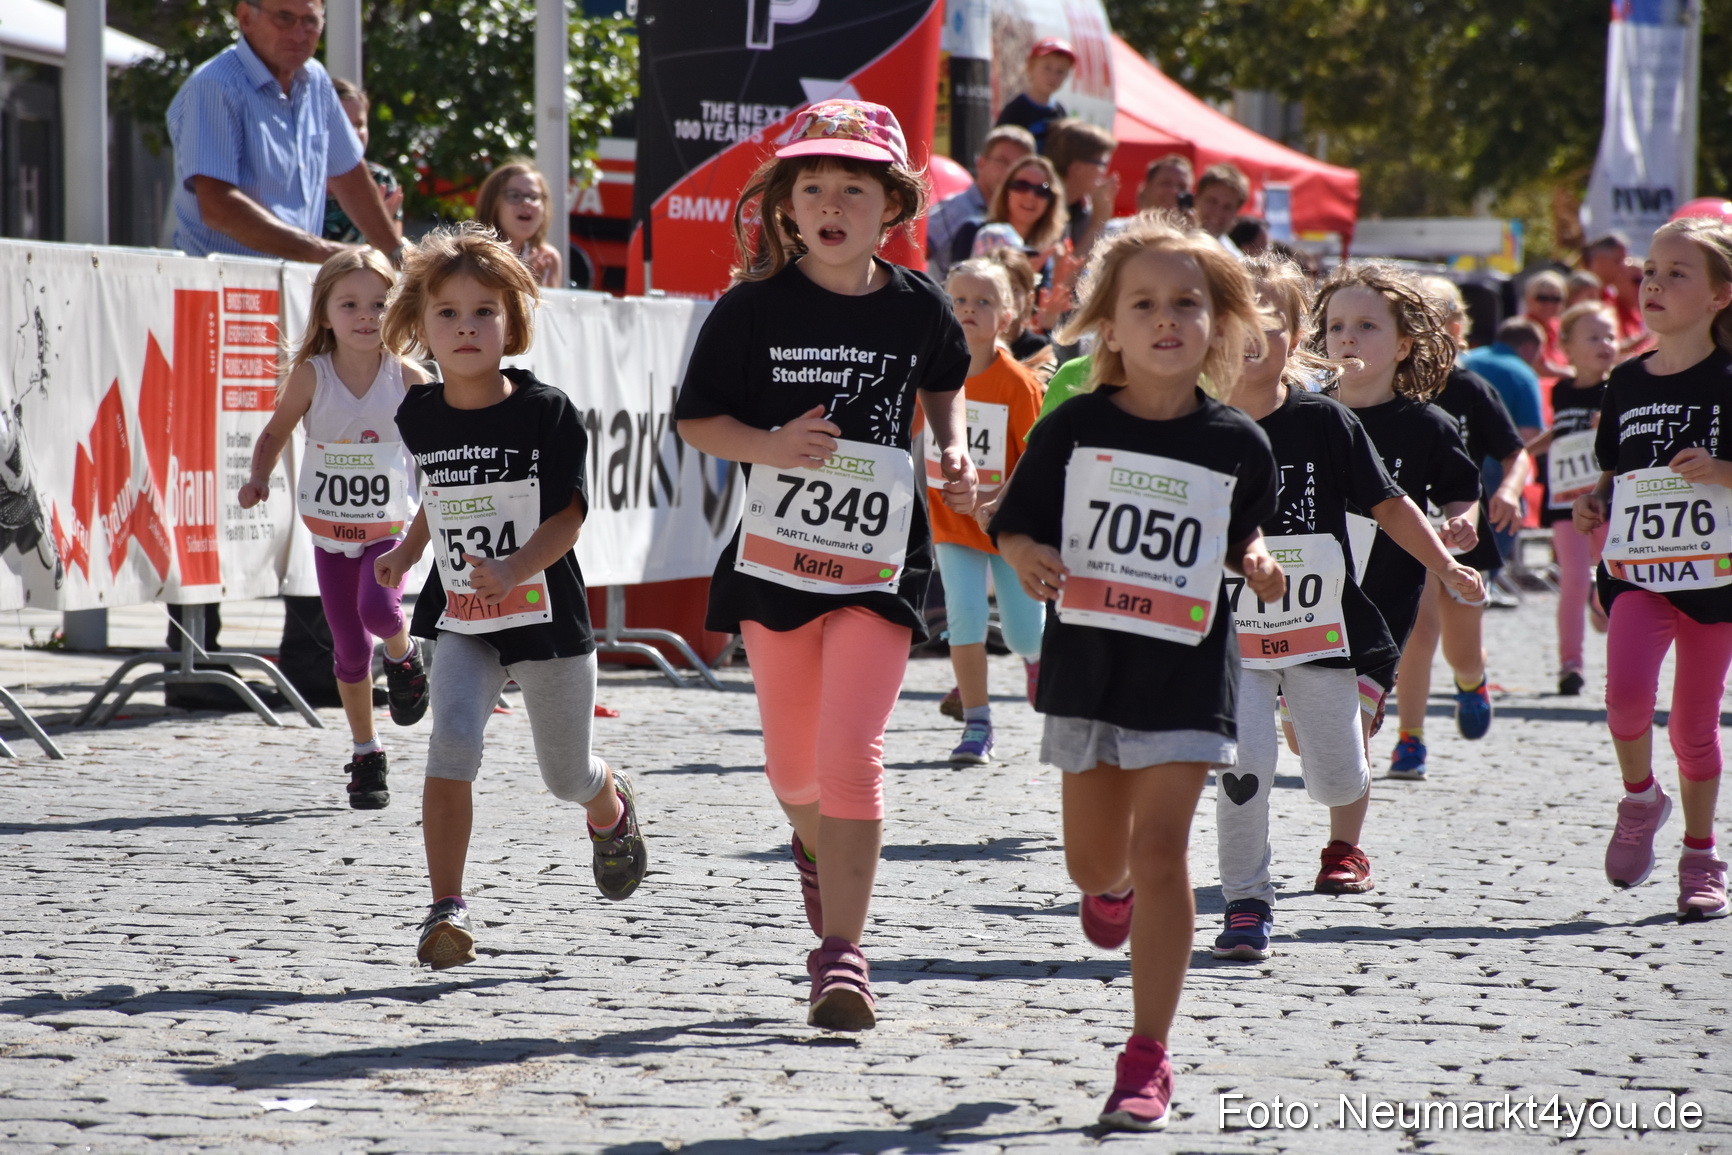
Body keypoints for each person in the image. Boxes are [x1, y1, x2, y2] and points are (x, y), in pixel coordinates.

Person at [674, 100, 977, 1030]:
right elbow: (697, 421)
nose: (832, 204)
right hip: (775, 563)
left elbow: (945, 381)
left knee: (852, 754)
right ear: (786, 206)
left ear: (894, 207)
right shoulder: (751, 307)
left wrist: (952, 447)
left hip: (878, 565)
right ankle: (814, 847)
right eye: (812, 187)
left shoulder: (920, 303)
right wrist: (770, 445)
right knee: (791, 768)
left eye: (854, 187)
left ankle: (842, 955)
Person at [990, 218, 1284, 1131]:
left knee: (1162, 854)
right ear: (1108, 328)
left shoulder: (1240, 441)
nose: (1166, 320)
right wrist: (1029, 556)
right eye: (1144, 304)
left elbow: (1244, 532)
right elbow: (1014, 524)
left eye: (1186, 303)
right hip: (1088, 666)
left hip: (1187, 671)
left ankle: (1147, 1054)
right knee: (1095, 861)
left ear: (1218, 324)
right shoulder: (1072, 426)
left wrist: (1258, 560)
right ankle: (1107, 888)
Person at [373, 224, 648, 969]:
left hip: (546, 615)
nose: (466, 327)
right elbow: (442, 494)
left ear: (512, 321)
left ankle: (609, 803)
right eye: (448, 313)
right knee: (451, 742)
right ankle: (446, 908)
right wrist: (408, 549)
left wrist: (518, 567)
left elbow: (570, 515)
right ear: (421, 324)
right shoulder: (419, 414)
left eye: (484, 312)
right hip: (464, 614)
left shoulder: (546, 410)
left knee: (566, 774)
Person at [1213, 255, 1481, 960]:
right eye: (1238, 319)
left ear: (1298, 334)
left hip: (1323, 634)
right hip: (1232, 637)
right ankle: (1247, 900)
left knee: (1335, 773)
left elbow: (1390, 505)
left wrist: (1445, 564)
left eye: (1271, 322)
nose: (1252, 336)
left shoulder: (1326, 422)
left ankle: (1343, 793)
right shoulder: (1196, 418)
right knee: (1244, 766)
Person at [1572, 217, 1732, 922]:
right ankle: (1641, 799)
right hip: (1639, 572)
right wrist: (1593, 503)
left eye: (1676, 273)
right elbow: (1614, 473)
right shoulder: (1626, 379)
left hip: (1716, 581)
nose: (1654, 285)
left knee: (1694, 727)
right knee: (1626, 700)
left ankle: (1701, 855)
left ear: (1720, 295)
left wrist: (1722, 471)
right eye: (1649, 273)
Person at [236, 248, 429, 807]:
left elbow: (439, 444)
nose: (366, 315)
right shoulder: (312, 375)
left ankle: (403, 653)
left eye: (380, 304)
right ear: (324, 312)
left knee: (380, 612)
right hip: (331, 535)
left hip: (389, 529)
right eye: (350, 305)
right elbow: (274, 433)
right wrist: (258, 478)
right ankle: (367, 752)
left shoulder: (408, 378)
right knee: (347, 648)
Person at [1318, 264, 1481, 872]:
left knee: (1348, 731)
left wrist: (1460, 522)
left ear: (1405, 345)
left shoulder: (1426, 425)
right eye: (1336, 326)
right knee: (1308, 740)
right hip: (1305, 600)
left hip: (1383, 600)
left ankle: (1344, 850)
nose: (1348, 337)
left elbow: (1462, 488)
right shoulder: (1303, 414)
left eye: (1366, 326)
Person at [1384, 279, 1527, 781]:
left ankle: (1472, 680)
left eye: (1435, 322)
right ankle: (1410, 740)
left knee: (1460, 651)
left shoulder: (1470, 389)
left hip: (1464, 530)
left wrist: (1509, 491)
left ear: (1456, 328)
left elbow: (1516, 453)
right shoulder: (1391, 389)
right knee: (1418, 634)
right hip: (1411, 530)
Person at [167, 0, 399, 262]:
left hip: (298, 276)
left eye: (310, 21)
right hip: (224, 281)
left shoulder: (316, 80)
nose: (299, 34)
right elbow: (217, 207)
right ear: (245, 18)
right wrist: (323, 252)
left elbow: (351, 176)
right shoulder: (215, 86)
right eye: (284, 18)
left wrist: (397, 254)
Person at [926, 260, 1047, 762]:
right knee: (965, 617)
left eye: (983, 301)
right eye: (958, 300)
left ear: (1008, 315)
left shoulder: (1017, 384)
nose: (968, 309)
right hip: (951, 523)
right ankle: (977, 725)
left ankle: (1036, 658)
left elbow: (1038, 459)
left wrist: (997, 504)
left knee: (1022, 632)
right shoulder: (931, 375)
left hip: (1007, 527)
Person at [1527, 302, 1617, 695]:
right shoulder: (1562, 391)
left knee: (1615, 575)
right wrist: (1526, 452)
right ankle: (1571, 665)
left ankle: (1606, 615)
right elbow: (1561, 434)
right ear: (1567, 347)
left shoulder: (1621, 388)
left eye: (1610, 336)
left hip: (1607, 500)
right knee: (1573, 580)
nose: (1605, 344)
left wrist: (1608, 427)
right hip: (1565, 501)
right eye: (1594, 337)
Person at [926, 125, 1036, 280]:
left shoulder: (1024, 214)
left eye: (1018, 165)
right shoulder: (956, 209)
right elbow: (914, 253)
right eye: (1002, 161)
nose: (1010, 171)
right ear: (981, 163)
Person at [952, 154, 1068, 270]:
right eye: (1022, 186)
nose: (1030, 196)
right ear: (1006, 191)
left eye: (1042, 190)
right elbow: (957, 279)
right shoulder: (974, 231)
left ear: (1051, 201)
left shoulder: (1043, 255)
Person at [323, 79, 403, 244]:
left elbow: (394, 253)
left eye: (359, 125)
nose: (353, 133)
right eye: (344, 125)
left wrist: (381, 230)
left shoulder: (379, 179)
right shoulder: (295, 176)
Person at [475, 160, 564, 289]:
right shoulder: (473, 255)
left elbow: (552, 302)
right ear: (493, 204)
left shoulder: (548, 257)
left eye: (533, 197)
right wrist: (524, 278)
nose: (526, 203)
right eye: (515, 196)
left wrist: (540, 287)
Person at [1045, 118, 1118, 257]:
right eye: (1102, 164)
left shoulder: (1081, 208)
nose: (1105, 172)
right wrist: (1098, 221)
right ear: (1077, 168)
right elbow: (1068, 269)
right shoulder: (1044, 205)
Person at [995, 37, 1075, 154]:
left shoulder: (1060, 112)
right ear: (1030, 68)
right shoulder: (1015, 110)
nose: (1053, 76)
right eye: (1047, 68)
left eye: (1060, 71)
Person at [1582, 231, 1649, 354]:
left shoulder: (1612, 297)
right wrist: (1650, 335)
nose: (1624, 267)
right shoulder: (1580, 294)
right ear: (1600, 261)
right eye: (1618, 261)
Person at [1519, 269, 1572, 376]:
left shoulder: (1558, 325)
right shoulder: (1524, 328)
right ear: (1529, 299)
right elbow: (1540, 368)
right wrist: (1575, 372)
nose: (1550, 304)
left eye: (1556, 299)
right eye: (1543, 298)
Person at [1194, 164, 1251, 255]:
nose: (1217, 212)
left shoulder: (1234, 259)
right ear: (1197, 198)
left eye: (1227, 207)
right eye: (1212, 201)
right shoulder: (1173, 243)